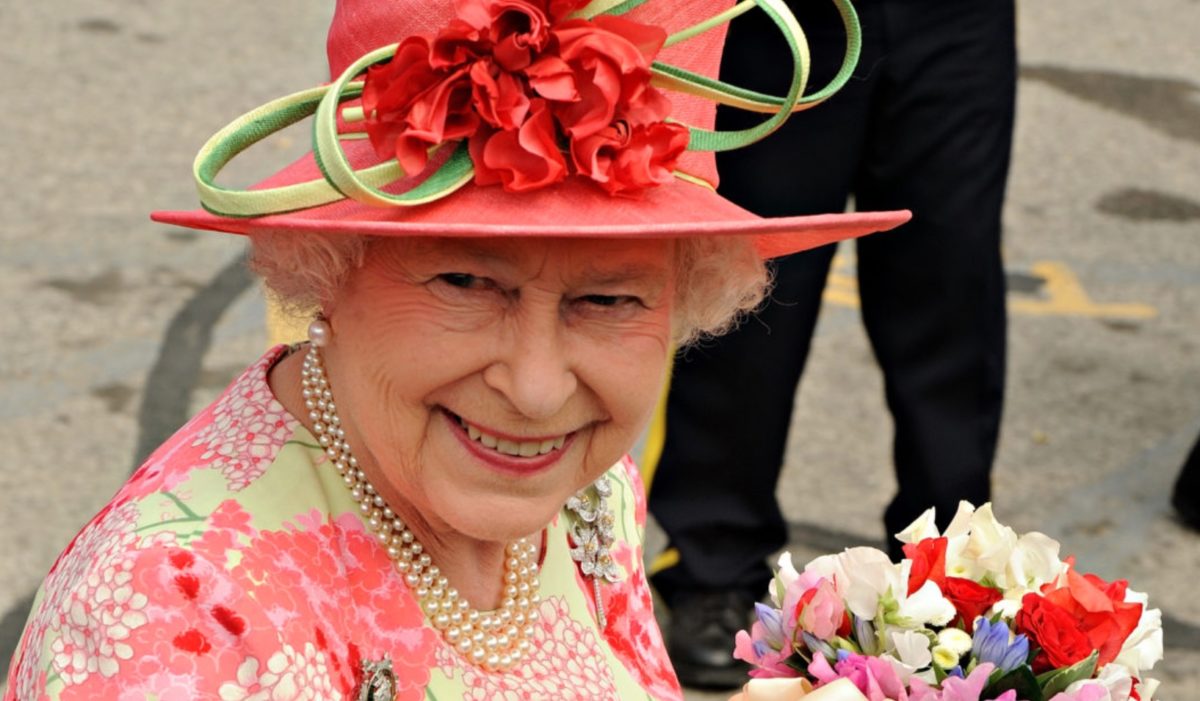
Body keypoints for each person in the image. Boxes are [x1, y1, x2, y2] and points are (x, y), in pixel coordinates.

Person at [4, 0, 908, 698]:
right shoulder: (184, 610)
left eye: (608, 299)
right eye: (467, 284)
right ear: (330, 268)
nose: (539, 388)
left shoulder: (585, 482)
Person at [648, 0, 1016, 689]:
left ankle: (949, 574)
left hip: (959, 18)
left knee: (952, 279)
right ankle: (712, 563)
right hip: (781, 17)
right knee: (747, 283)